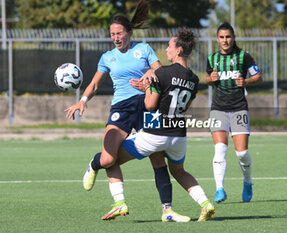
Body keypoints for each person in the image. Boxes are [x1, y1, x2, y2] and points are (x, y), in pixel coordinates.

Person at [64, 0, 187, 221]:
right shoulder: (107, 57)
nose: (116, 38)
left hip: (147, 104)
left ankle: (167, 210)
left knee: (158, 159)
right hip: (121, 108)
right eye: (112, 34)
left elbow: (161, 72)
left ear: (129, 32)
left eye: (119, 33)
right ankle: (102, 175)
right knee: (107, 159)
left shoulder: (144, 49)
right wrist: (82, 100)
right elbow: (94, 85)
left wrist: (150, 75)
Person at [107, 29, 215, 222]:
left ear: (179, 50)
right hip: (179, 136)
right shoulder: (194, 79)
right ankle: (205, 204)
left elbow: (149, 105)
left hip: (156, 133)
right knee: (179, 171)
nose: (166, 49)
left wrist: (148, 88)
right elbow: (185, 106)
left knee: (111, 160)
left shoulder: (163, 73)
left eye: (170, 46)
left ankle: (118, 201)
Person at [205, 22, 263, 203]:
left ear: (233, 38)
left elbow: (258, 76)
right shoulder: (212, 58)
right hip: (218, 108)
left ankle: (247, 182)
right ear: (217, 39)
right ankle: (219, 189)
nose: (225, 40)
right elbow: (208, 78)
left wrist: (246, 81)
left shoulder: (243, 56)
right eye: (221, 37)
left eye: (228, 37)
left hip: (238, 108)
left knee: (241, 153)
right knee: (220, 149)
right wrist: (210, 79)